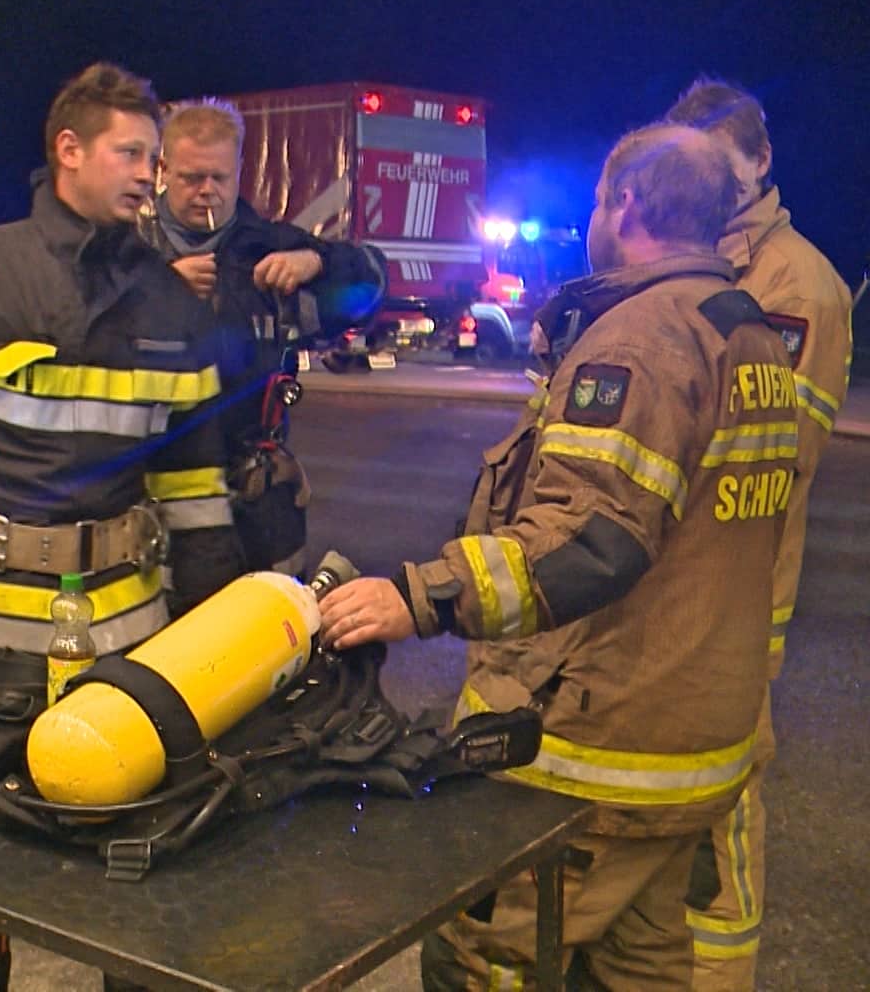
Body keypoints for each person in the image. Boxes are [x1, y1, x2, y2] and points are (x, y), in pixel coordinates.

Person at [318, 124, 797, 988]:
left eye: (600, 200)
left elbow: (591, 540)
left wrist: (419, 597)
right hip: (694, 742)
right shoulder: (747, 332)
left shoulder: (639, 342)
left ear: (625, 205)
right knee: (640, 963)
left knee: (485, 955)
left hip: (600, 749)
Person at [0, 63, 241, 991]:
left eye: (153, 157)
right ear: (69, 150)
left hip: (128, 641)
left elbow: (194, 489)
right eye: (131, 153)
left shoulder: (170, 305)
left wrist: (218, 634)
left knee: (135, 877)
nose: (148, 174)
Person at [662, 78, 854, 988]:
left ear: (761, 160)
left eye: (721, 163)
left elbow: (774, 459)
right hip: (677, 596)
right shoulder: (701, 261)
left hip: (735, 603)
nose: (707, 181)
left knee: (721, 826)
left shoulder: (795, 284)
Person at [138, 97, 385, 573]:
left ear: (239, 171)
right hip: (150, 498)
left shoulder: (271, 246)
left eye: (220, 177)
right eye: (192, 178)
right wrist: (160, 287)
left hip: (255, 507)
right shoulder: (130, 251)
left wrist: (318, 263)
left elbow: (373, 283)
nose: (207, 191)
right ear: (163, 170)